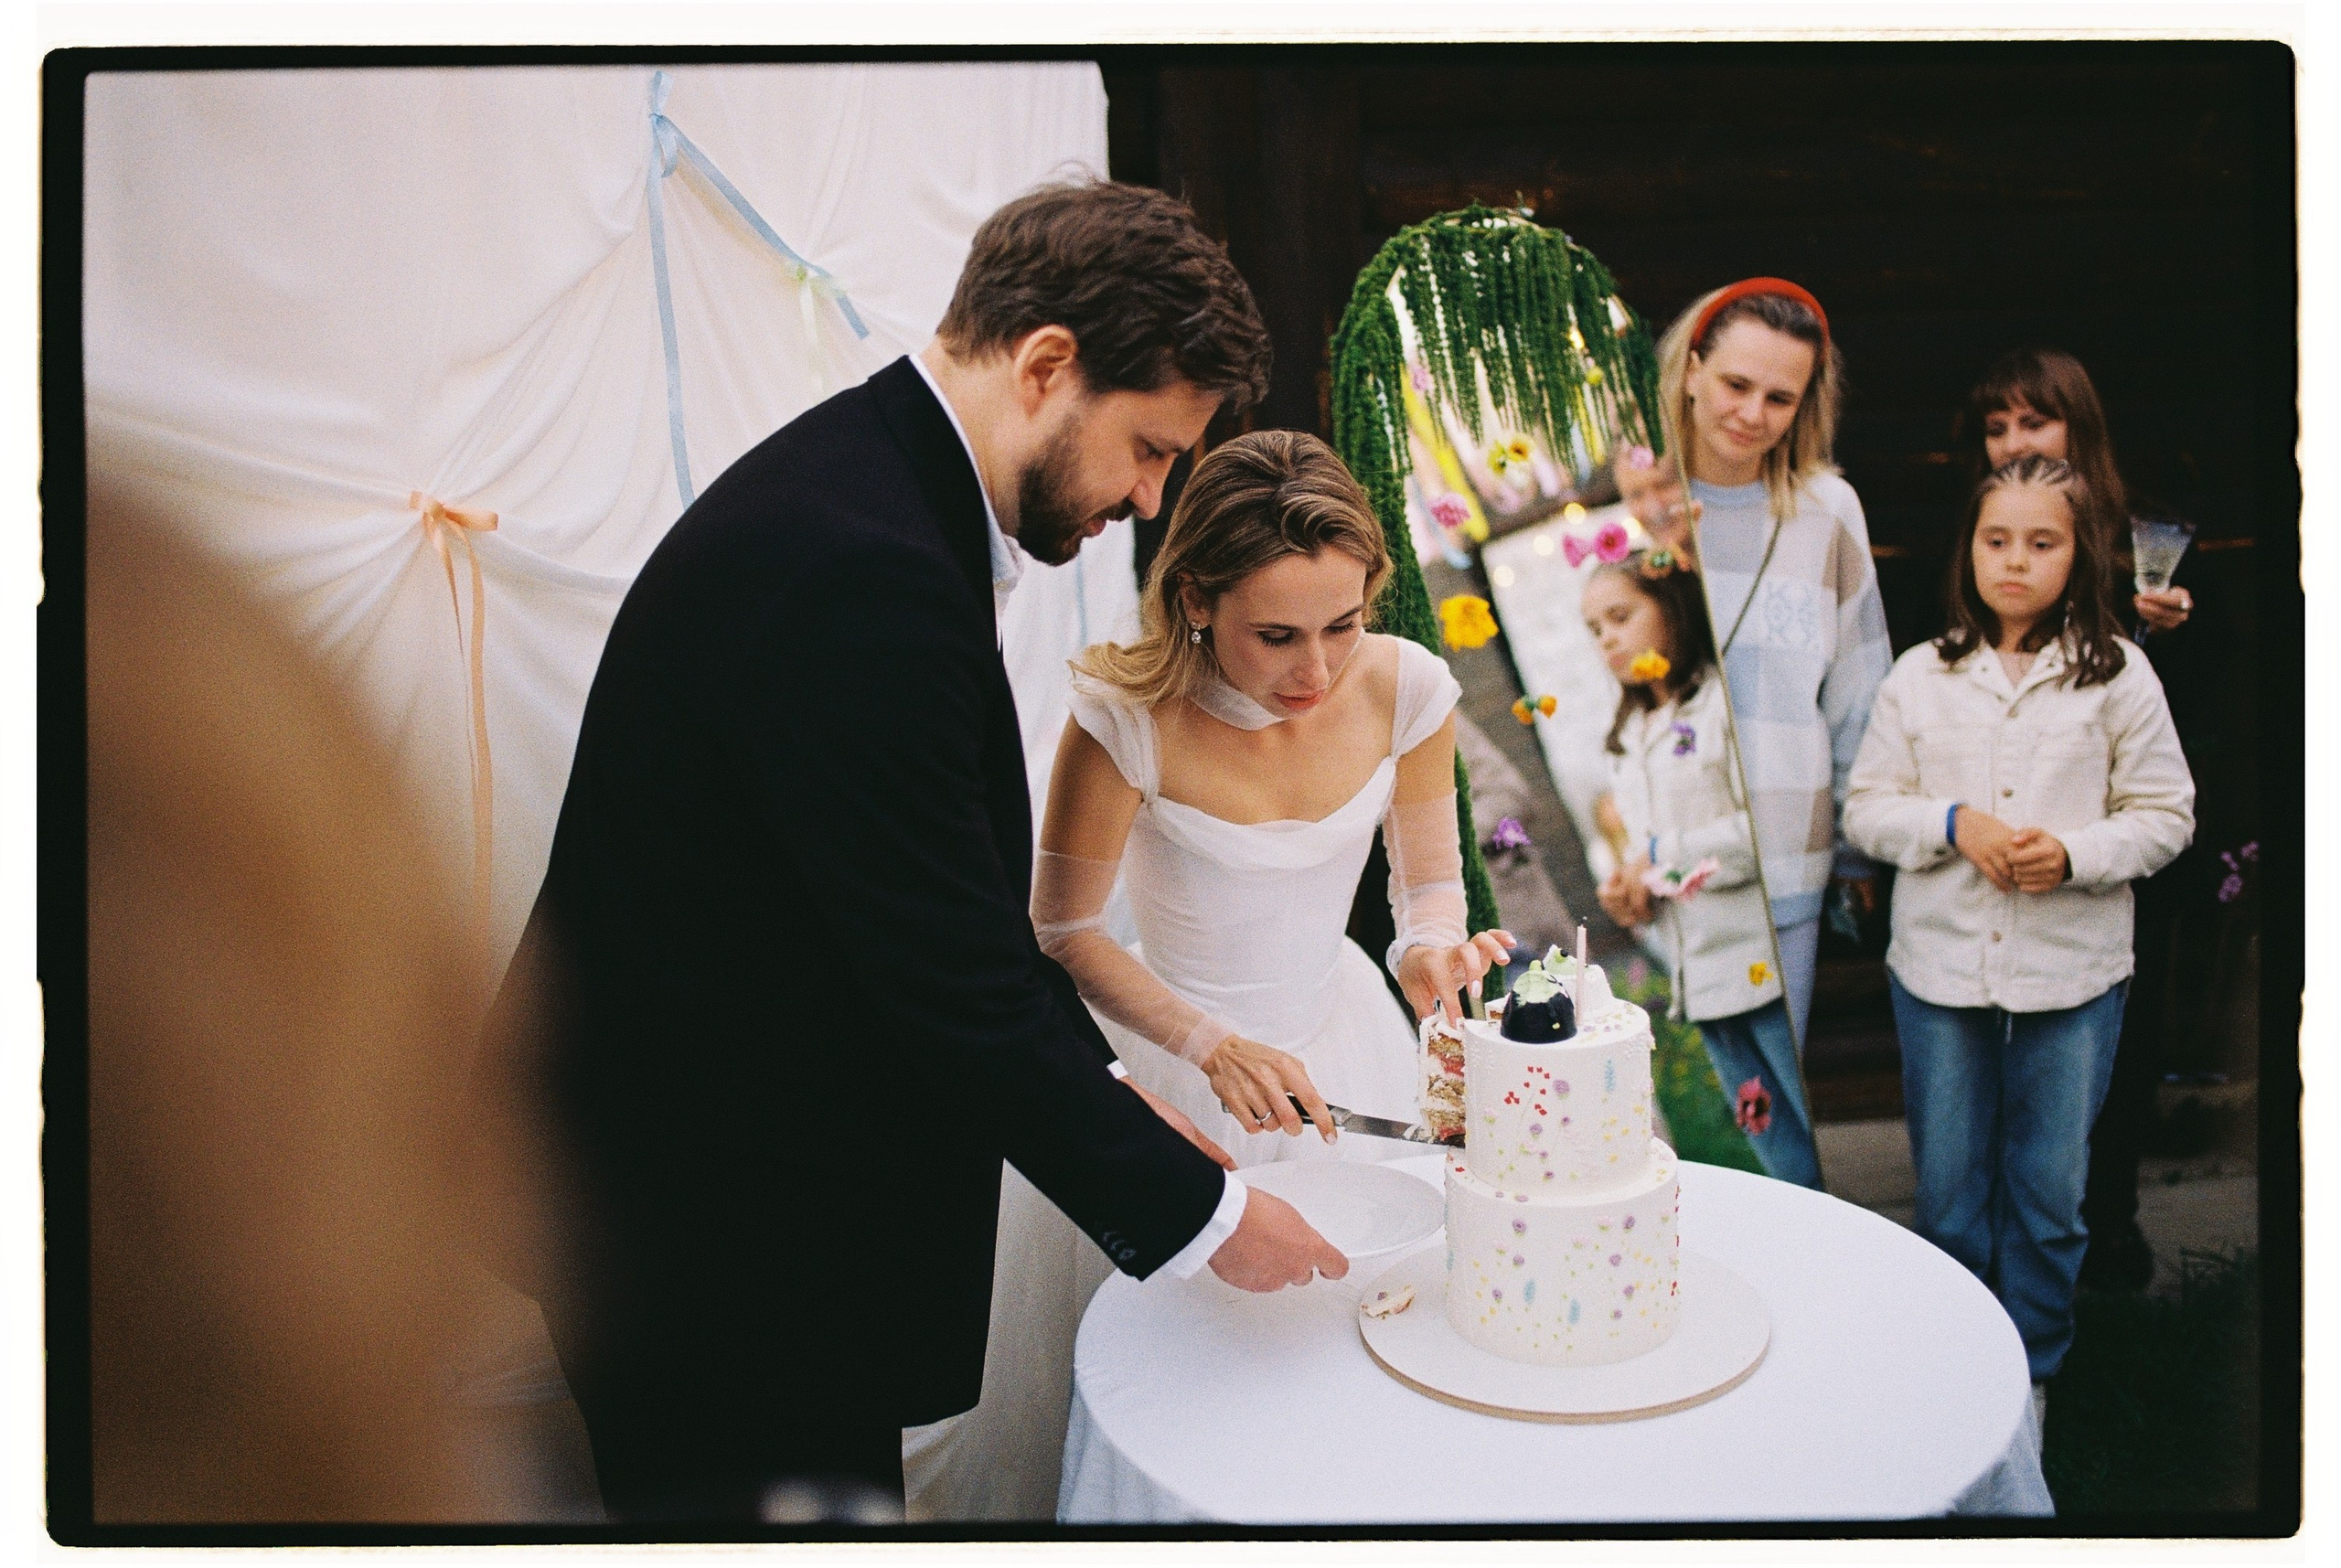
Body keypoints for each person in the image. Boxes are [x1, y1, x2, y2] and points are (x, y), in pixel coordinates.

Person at [495, 180, 1350, 1523]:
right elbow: (955, 975)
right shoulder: (863, 567)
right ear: (1047, 365)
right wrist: (1207, 1216)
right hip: (703, 1235)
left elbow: (917, 901)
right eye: (1147, 447)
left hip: (733, 1187)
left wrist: (1121, 1101)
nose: (1150, 494)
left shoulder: (871, 484)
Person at [1036, 429, 1517, 1162]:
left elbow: (1429, 884)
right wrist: (1211, 1047)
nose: (1316, 671)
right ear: (1196, 599)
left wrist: (1428, 946)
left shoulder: (1407, 688)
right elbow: (1064, 930)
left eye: (1343, 625)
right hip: (1176, 1058)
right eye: (1276, 636)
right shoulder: (1122, 721)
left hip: (1349, 1042)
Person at [1844, 455, 2193, 1412]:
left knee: (2049, 1190)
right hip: (1941, 970)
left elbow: (2166, 814)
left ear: (2082, 553)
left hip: (2072, 974)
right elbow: (1867, 807)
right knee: (1951, 1189)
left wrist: (2075, 853)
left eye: (2042, 542)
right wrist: (1952, 823)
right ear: (1968, 547)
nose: (2014, 560)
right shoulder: (1922, 675)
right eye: (1996, 539)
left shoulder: (2118, 675)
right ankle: (1960, 1371)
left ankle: (2033, 1371)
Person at [1952, 347, 2202, 1291]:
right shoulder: (1984, 536)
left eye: (2035, 420)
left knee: (2115, 1047)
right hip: (2008, 836)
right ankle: (1999, 1251)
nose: (2014, 440)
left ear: (2077, 425)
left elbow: (2203, 706)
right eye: (1997, 426)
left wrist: (2171, 630)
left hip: (2122, 832)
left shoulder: (2146, 535)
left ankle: (2107, 1229)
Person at [1653, 279, 1893, 1052]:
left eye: (1780, 398)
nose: (1753, 413)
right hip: (1658, 861)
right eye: (1736, 384)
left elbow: (1860, 689)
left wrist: (1856, 848)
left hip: (1784, 862)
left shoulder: (1828, 510)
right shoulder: (1641, 505)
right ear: (1692, 368)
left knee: (1766, 1099)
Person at [1586, 551, 1820, 1188]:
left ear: (1672, 608)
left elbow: (1770, 831)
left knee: (1814, 1135)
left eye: (1621, 616)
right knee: (1775, 1150)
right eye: (1595, 628)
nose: (1607, 638)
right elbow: (1651, 854)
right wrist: (1632, 891)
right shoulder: (1627, 739)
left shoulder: (1725, 706)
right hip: (1705, 987)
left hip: (1764, 969)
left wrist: (1659, 859)